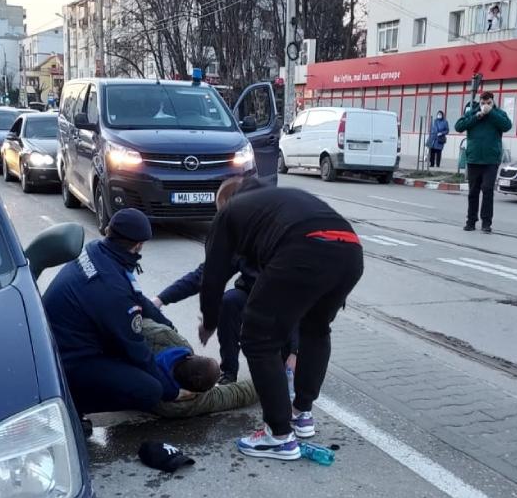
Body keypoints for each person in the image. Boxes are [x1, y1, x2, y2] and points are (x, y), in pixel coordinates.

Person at [198, 176, 364, 460]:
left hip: (304, 249)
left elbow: (213, 275)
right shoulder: (282, 199)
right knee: (316, 329)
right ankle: (301, 414)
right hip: (350, 250)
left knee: (257, 339)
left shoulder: (229, 212)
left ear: (226, 201)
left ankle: (278, 435)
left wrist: (210, 321)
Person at [41, 208, 175, 423]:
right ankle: (71, 404)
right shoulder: (110, 287)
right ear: (138, 244)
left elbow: (137, 296)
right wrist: (171, 391)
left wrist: (168, 326)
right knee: (151, 390)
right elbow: (135, 349)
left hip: (55, 344)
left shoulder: (98, 251)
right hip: (69, 362)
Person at [154, 258, 299, 384]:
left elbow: (300, 302)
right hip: (253, 294)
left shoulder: (290, 243)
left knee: (285, 373)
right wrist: (160, 300)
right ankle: (229, 372)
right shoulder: (244, 238)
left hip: (291, 302)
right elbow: (208, 274)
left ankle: (292, 370)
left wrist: (295, 351)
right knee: (229, 301)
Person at [140, 318, 259, 419]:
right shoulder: (183, 404)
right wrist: (270, 385)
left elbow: (136, 320)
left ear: (189, 357)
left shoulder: (168, 338)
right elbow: (237, 394)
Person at [455, 91, 512, 233]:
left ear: (493, 102)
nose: (485, 105)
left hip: (491, 160)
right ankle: (471, 221)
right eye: (483, 103)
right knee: (473, 192)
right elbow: (459, 126)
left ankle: (486, 223)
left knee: (487, 190)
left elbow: (507, 126)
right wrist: (477, 116)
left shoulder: (499, 113)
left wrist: (491, 113)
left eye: (488, 103)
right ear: (479, 102)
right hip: (474, 159)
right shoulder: (472, 112)